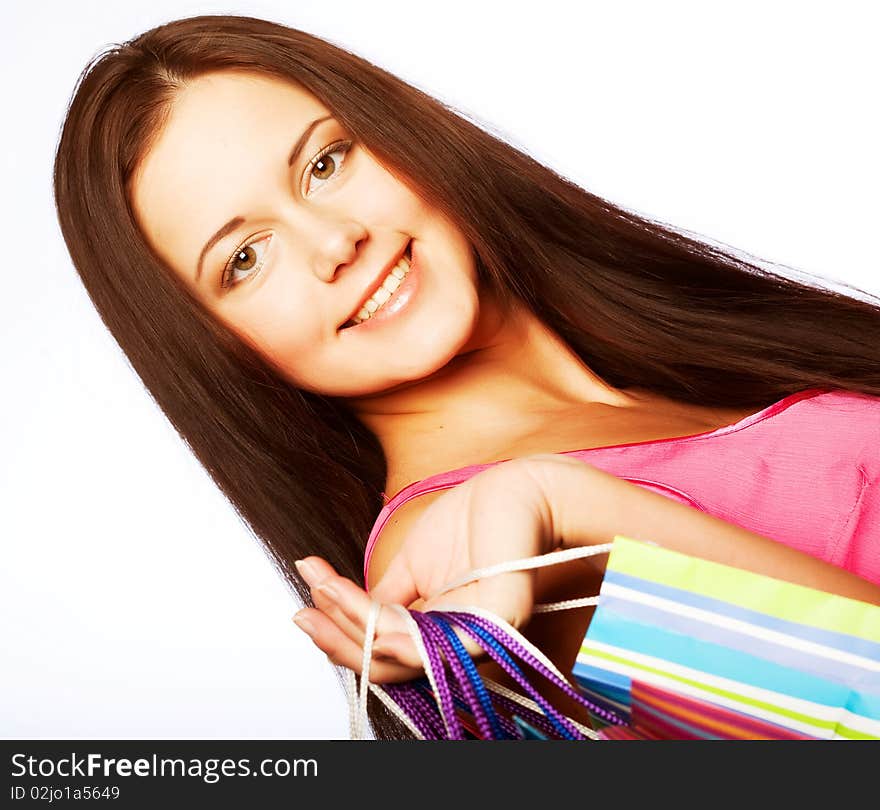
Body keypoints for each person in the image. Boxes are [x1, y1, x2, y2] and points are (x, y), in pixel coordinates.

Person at [53, 14, 880, 740]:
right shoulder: (458, 564)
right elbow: (858, 715)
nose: (335, 242)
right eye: (244, 259)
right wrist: (556, 503)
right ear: (216, 350)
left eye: (326, 163)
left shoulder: (685, 353)